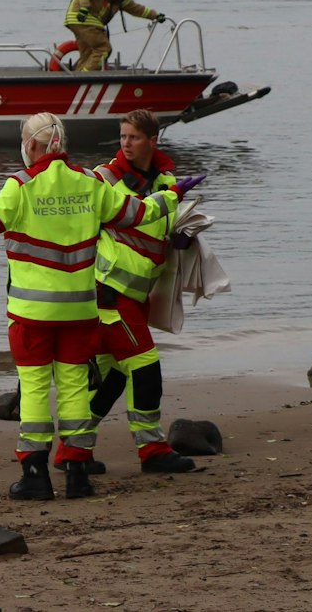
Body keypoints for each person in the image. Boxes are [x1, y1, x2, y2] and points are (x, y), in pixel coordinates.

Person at [0, 113, 201, 501]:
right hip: (80, 312)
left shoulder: (20, 186)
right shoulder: (89, 183)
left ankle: (36, 475)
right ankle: (77, 474)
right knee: (75, 389)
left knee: (37, 390)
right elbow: (138, 213)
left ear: (33, 146)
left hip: (32, 314)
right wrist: (174, 194)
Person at [86, 109, 197, 473]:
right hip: (108, 292)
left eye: (133, 137)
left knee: (114, 375)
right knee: (144, 365)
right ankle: (152, 450)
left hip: (137, 294)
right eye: (122, 137)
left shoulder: (168, 180)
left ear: (153, 141)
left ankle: (74, 449)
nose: (126, 144)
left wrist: (179, 239)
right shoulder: (103, 178)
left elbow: (157, 229)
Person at [63, 0, 167, 72]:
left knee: (89, 53)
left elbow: (133, 7)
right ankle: (84, 79)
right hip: (83, 18)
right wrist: (84, 6)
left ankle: (76, 80)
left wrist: (155, 15)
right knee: (104, 49)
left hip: (81, 20)